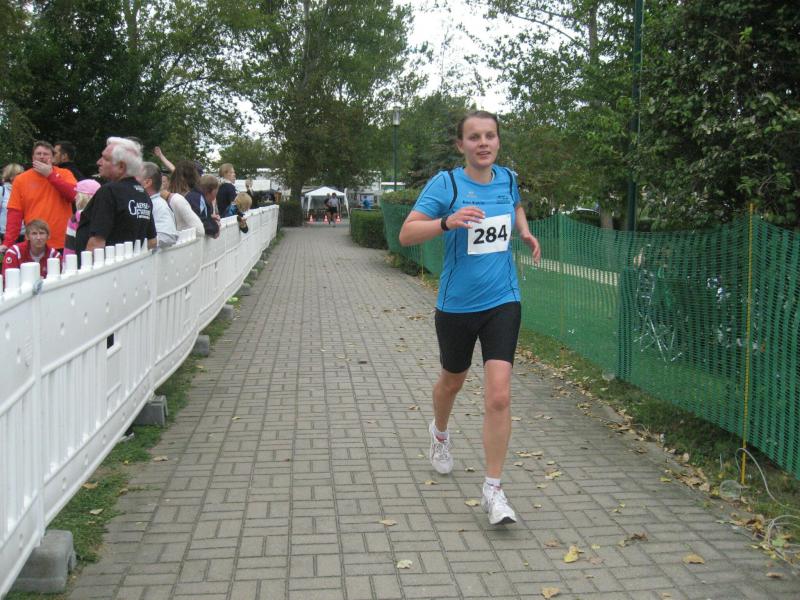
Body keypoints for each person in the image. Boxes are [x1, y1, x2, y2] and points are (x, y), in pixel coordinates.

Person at [398, 110, 541, 526]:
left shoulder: (508, 178)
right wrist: (447, 222)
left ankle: (494, 490)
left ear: (498, 141)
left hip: (503, 300)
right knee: (452, 381)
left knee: (499, 395)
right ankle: (440, 433)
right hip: (457, 306)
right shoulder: (447, 184)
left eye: (490, 136)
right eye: (474, 137)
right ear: (461, 145)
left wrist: (524, 230)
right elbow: (407, 233)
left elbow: (515, 205)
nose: (483, 143)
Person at [74, 137, 157, 256]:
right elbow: (152, 241)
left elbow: (97, 243)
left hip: (104, 265)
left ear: (121, 167)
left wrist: (86, 265)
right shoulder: (142, 194)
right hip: (128, 263)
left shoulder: (109, 192)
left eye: (105, 159)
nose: (99, 162)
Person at [1, 141, 78, 252]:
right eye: (38, 154)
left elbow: (74, 195)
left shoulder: (65, 174)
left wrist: (50, 175)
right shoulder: (21, 179)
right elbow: (15, 213)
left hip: (63, 241)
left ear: (52, 158)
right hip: (34, 242)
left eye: (46, 154)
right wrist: (8, 242)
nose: (42, 157)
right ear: (33, 158)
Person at [138, 162, 177, 248]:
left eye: (136, 178)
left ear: (147, 183)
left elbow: (168, 236)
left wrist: (139, 244)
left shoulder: (159, 205)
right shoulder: (151, 203)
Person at [63, 179, 101, 260]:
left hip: (78, 260)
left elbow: (69, 246)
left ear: (83, 197)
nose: (75, 197)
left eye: (77, 194)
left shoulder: (74, 219)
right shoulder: (103, 216)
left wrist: (66, 264)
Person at [164, 164, 204, 238]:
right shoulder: (195, 196)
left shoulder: (188, 197)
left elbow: (200, 225)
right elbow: (202, 224)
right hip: (185, 239)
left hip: (182, 239)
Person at [185, 172, 220, 238]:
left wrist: (210, 218)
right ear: (213, 191)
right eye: (216, 193)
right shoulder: (198, 199)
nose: (215, 197)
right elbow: (200, 221)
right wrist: (215, 229)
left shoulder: (197, 197)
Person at [1, 163, 25, 243]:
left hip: (24, 234)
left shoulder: (25, 191)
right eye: (19, 174)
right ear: (11, 176)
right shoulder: (2, 191)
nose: (23, 177)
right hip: (5, 233)